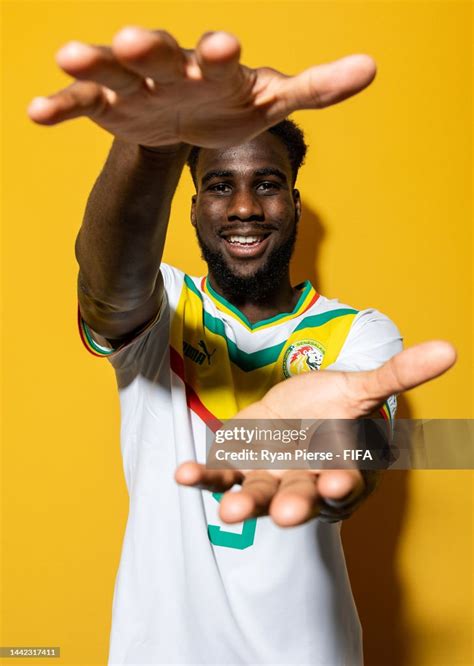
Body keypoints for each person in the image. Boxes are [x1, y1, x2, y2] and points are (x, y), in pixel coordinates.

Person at [28, 27, 456, 666]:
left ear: (295, 202)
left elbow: (362, 446)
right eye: (221, 186)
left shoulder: (360, 333)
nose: (246, 207)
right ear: (194, 207)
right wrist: (150, 145)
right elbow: (108, 285)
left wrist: (335, 454)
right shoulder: (165, 307)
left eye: (268, 183)